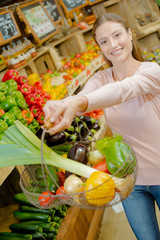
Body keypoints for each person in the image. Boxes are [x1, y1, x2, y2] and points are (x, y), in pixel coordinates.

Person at [43, 13, 160, 240]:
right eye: (104, 41)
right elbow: (86, 96)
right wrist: (61, 104)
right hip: (130, 183)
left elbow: (122, 91)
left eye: (117, 35)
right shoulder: (101, 79)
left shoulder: (151, 71)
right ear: (99, 47)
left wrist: (78, 102)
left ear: (130, 33)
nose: (112, 45)